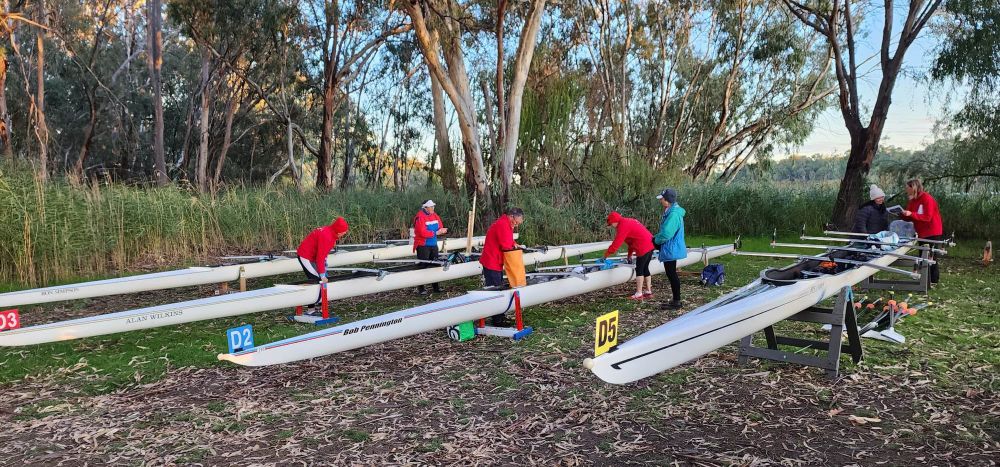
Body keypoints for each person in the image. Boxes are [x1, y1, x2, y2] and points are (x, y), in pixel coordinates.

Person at [479, 207, 525, 326]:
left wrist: (515, 244)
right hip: (492, 261)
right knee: (496, 289)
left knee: (498, 286)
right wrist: (516, 248)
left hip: (495, 260)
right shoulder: (503, 225)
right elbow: (505, 246)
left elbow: (509, 241)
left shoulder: (506, 223)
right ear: (511, 216)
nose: (516, 225)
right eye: (516, 222)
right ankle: (497, 320)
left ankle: (500, 315)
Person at [296, 217, 350, 310]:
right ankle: (311, 310)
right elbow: (320, 258)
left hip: (313, 256)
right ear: (338, 231)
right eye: (344, 231)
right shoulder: (327, 236)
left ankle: (321, 306)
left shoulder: (331, 233)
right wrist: (322, 275)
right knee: (316, 280)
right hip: (305, 256)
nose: (345, 233)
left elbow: (323, 254)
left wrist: (324, 267)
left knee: (323, 279)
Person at [603, 211, 655, 300]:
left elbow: (617, 243)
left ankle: (639, 293)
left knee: (639, 269)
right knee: (645, 268)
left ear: (615, 221)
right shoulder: (628, 221)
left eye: (611, 224)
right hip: (651, 243)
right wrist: (629, 255)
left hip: (643, 246)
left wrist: (606, 255)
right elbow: (631, 242)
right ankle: (648, 291)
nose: (611, 226)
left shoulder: (622, 226)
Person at [900, 179, 944, 284]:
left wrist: (910, 214)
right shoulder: (913, 200)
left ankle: (933, 279)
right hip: (921, 232)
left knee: (930, 256)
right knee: (922, 255)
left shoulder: (927, 199)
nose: (906, 190)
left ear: (913, 187)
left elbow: (927, 217)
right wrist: (902, 214)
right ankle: (925, 278)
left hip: (932, 231)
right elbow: (910, 216)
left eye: (907, 187)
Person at [653, 188, 686, 310]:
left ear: (667, 200)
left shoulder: (673, 214)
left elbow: (667, 233)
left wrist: (655, 241)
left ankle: (677, 301)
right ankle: (675, 300)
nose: (661, 201)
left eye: (662, 199)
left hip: (670, 248)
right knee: (671, 273)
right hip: (671, 247)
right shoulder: (673, 211)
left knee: (671, 274)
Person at [413, 200, 448, 295]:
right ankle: (421, 288)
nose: (433, 208)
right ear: (425, 208)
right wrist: (436, 233)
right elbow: (422, 232)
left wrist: (442, 230)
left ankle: (436, 287)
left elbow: (440, 226)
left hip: (433, 245)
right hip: (423, 246)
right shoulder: (420, 217)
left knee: (435, 264)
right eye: (431, 206)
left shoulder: (435, 215)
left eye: (433, 206)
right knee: (423, 266)